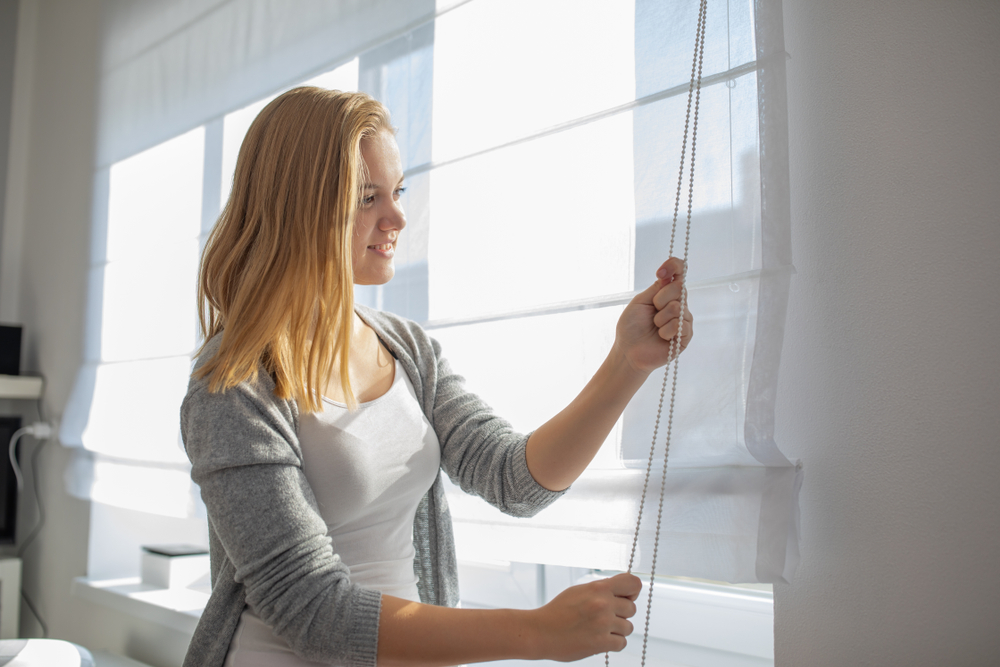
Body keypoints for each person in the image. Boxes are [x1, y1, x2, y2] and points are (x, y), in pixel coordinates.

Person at [181, 87, 694, 667]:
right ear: (300, 207)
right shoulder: (232, 384)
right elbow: (311, 609)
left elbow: (512, 479)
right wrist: (535, 633)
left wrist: (626, 363)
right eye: (367, 197)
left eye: (397, 192)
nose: (398, 216)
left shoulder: (407, 349)